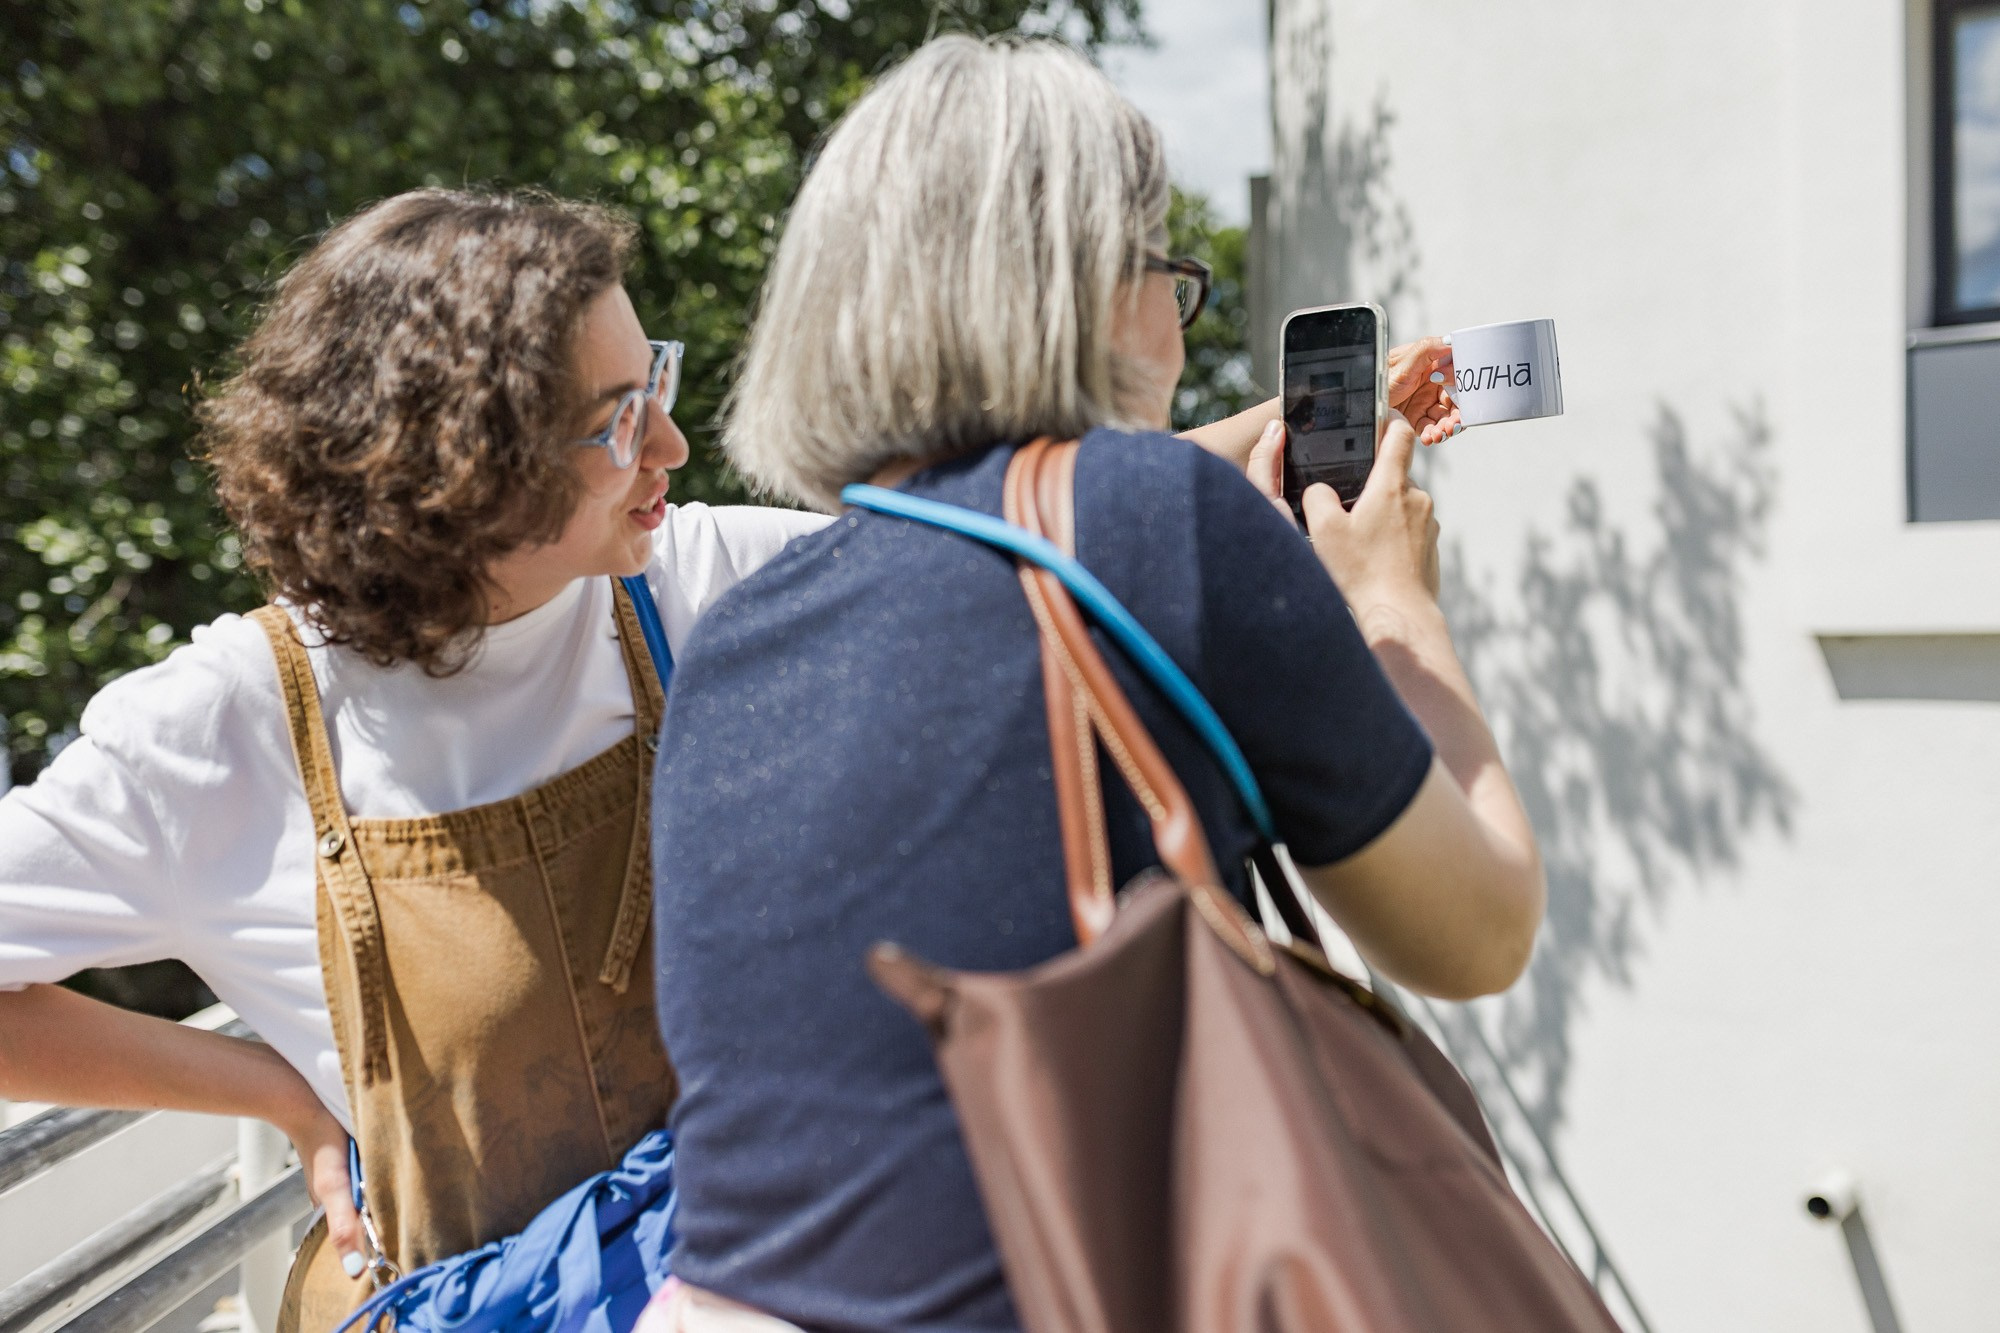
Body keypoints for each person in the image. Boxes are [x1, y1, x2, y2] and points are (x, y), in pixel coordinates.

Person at [0, 184, 1294, 1323]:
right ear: (459, 468)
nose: (670, 446)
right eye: (619, 419)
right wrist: (277, 1087)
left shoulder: (680, 584)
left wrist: (1314, 428)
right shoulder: (227, 723)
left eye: (654, 384)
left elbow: (999, 547)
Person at [648, 34, 1545, 1333]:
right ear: (1094, 286)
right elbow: (1478, 929)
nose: (1179, 325)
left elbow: (1006, 534)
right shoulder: (1162, 521)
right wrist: (1395, 598)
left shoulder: (735, 639)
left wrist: (1213, 473)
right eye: (1171, 274)